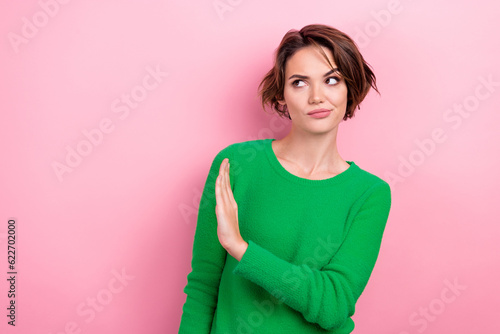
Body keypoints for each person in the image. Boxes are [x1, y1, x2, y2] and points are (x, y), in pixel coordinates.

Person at [179, 23, 392, 334]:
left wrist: (241, 248)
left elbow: (333, 305)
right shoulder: (237, 165)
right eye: (300, 83)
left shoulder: (369, 194)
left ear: (350, 88)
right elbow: (202, 286)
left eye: (331, 80)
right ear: (282, 94)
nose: (317, 96)